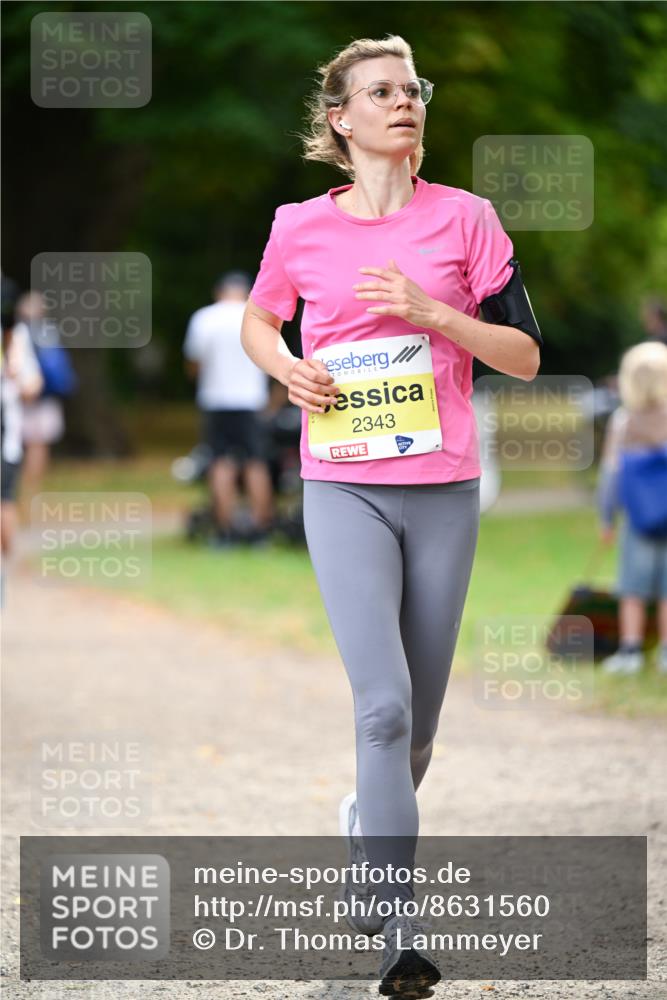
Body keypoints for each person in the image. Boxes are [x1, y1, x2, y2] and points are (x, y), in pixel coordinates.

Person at [240, 34, 542, 993]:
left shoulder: (467, 220)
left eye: (411, 88)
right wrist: (284, 365)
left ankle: (364, 828)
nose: (402, 101)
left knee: (415, 729)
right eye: (380, 91)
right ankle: (398, 931)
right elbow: (262, 316)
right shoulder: (298, 227)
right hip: (342, 485)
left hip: (443, 487)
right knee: (381, 708)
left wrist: (431, 311)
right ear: (341, 119)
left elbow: (526, 355)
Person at [183, 270, 275, 547]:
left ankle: (225, 531)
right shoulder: (258, 316)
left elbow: (194, 364)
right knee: (256, 463)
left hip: (216, 399)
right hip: (251, 400)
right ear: (248, 292)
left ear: (218, 292)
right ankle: (261, 529)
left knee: (221, 463)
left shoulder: (204, 317)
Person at [597, 341, 667, 675]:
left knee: (632, 588)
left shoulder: (623, 422)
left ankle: (631, 650)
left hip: (637, 518)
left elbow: (610, 476)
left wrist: (607, 518)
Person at [1, 293, 44, 606]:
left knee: (4, 507)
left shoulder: (15, 337)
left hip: (7, 439)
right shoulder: (16, 336)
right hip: (8, 441)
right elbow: (32, 387)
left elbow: (31, 386)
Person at [15, 290, 74, 491]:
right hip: (43, 396)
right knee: (37, 444)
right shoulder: (48, 331)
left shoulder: (16, 332)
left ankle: (21, 485)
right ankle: (31, 486)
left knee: (24, 443)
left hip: (22, 395)